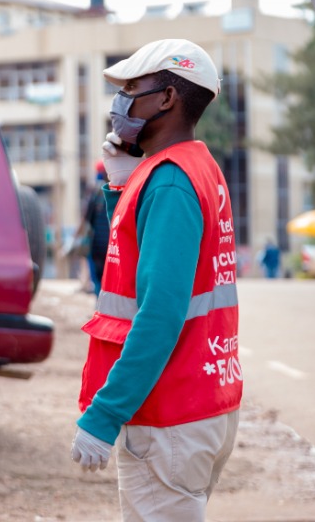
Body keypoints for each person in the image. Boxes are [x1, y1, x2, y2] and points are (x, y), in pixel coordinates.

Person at [70, 40, 242, 521]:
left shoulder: (169, 181)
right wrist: (123, 189)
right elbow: (130, 271)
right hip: (201, 402)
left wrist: (105, 415)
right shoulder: (195, 169)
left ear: (167, 98)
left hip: (170, 414)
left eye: (131, 89)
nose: (119, 102)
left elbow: (159, 315)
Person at [69, 160, 111, 296]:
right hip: (112, 241)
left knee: (98, 276)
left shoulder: (95, 192)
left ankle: (99, 305)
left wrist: (75, 237)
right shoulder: (117, 190)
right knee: (109, 275)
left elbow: (86, 218)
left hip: (97, 242)